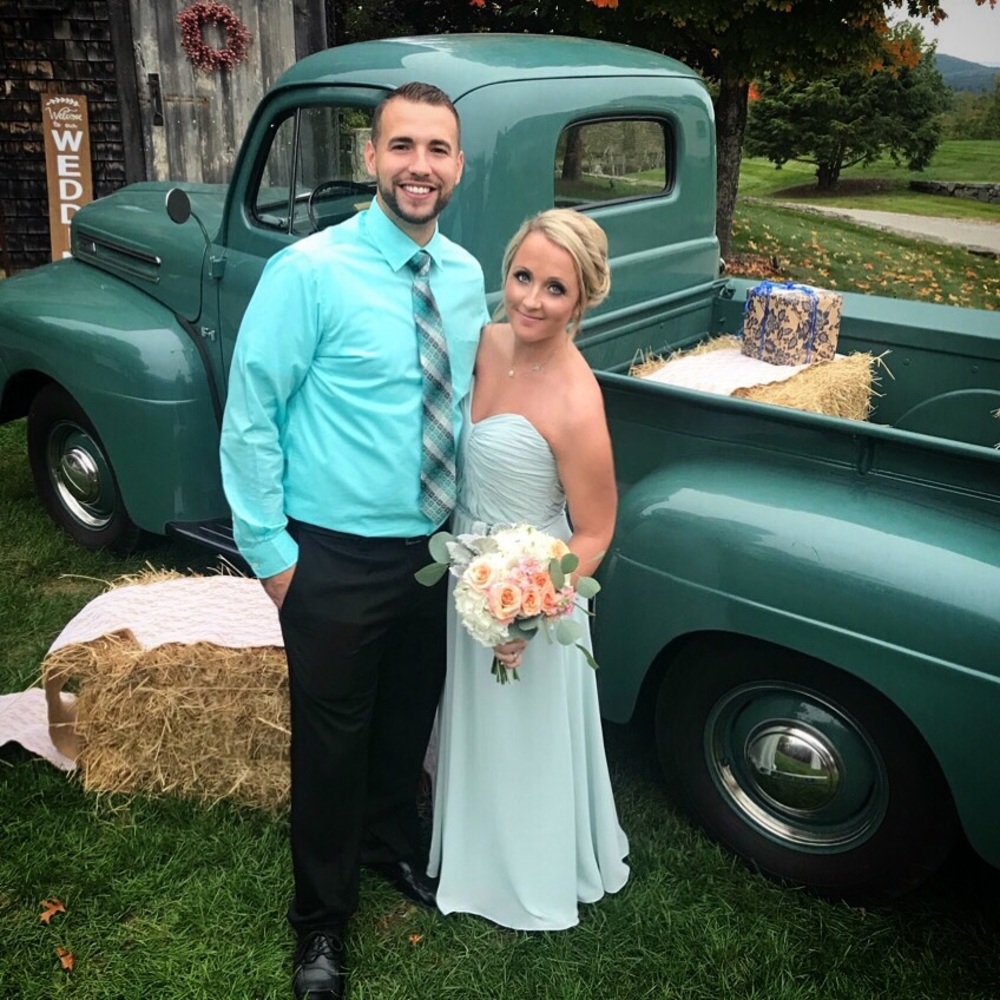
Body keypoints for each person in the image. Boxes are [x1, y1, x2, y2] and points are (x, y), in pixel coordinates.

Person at [219, 82, 488, 1000]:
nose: (421, 166)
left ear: (459, 164)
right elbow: (253, 415)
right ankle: (320, 929)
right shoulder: (309, 272)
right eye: (402, 146)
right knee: (330, 746)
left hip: (431, 548)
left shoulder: (463, 275)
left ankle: (391, 851)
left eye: (439, 149)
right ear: (370, 158)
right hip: (330, 555)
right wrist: (272, 555)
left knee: (408, 715)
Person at [427, 209, 630, 930]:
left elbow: (598, 527)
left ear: (582, 301)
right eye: (522, 277)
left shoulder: (577, 401)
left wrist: (536, 607)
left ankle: (529, 866)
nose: (531, 301)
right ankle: (469, 842)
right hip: (468, 568)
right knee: (476, 718)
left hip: (532, 585)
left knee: (523, 735)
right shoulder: (482, 343)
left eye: (555, 289)